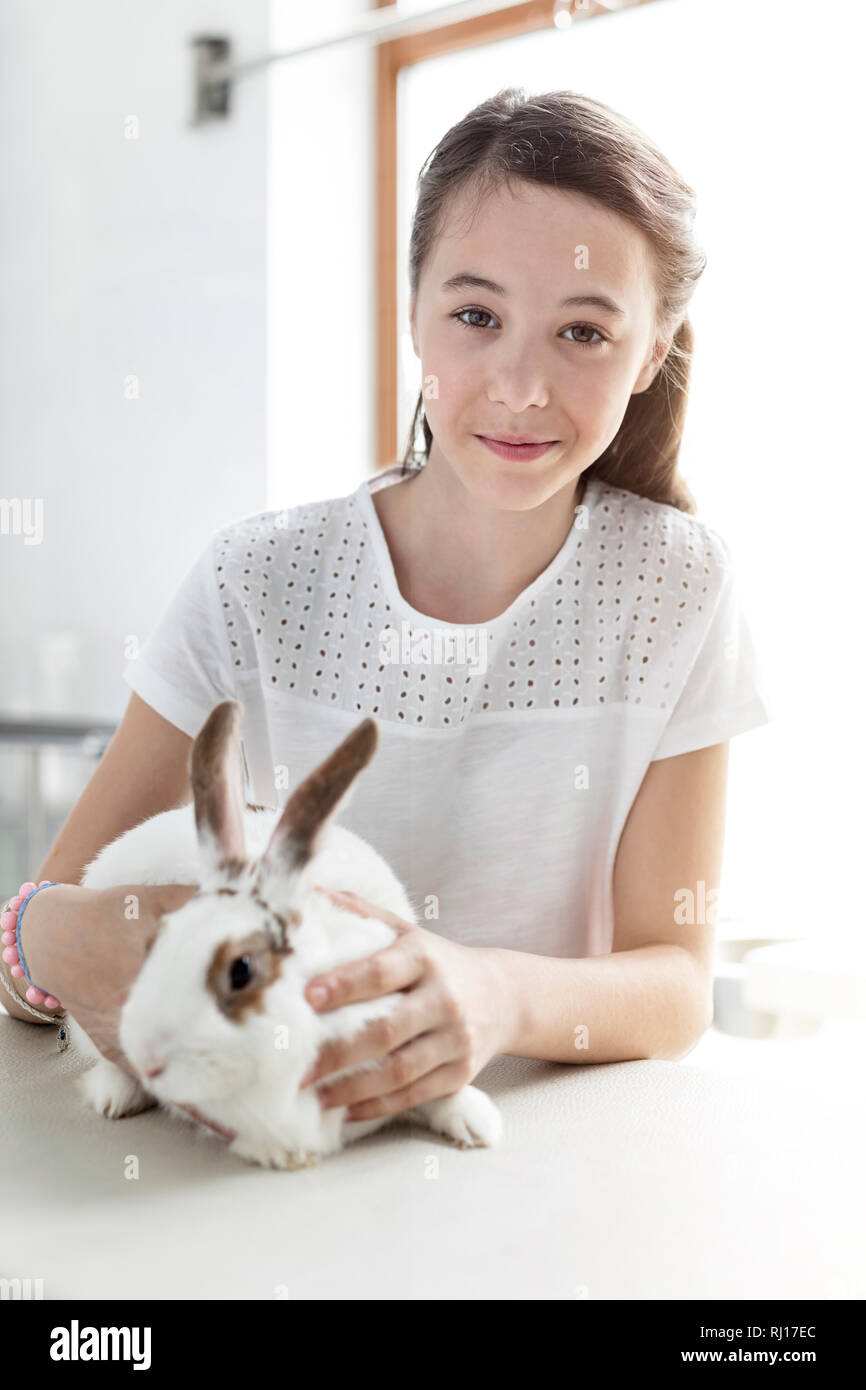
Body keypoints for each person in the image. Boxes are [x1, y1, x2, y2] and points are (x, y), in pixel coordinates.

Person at [2, 88, 769, 1127]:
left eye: (582, 333)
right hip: (277, 1156)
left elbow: (675, 988)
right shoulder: (256, 582)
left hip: (545, 1161)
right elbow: (34, 942)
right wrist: (48, 941)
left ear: (650, 350)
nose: (519, 384)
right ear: (411, 310)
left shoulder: (677, 584)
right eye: (475, 315)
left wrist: (494, 994)